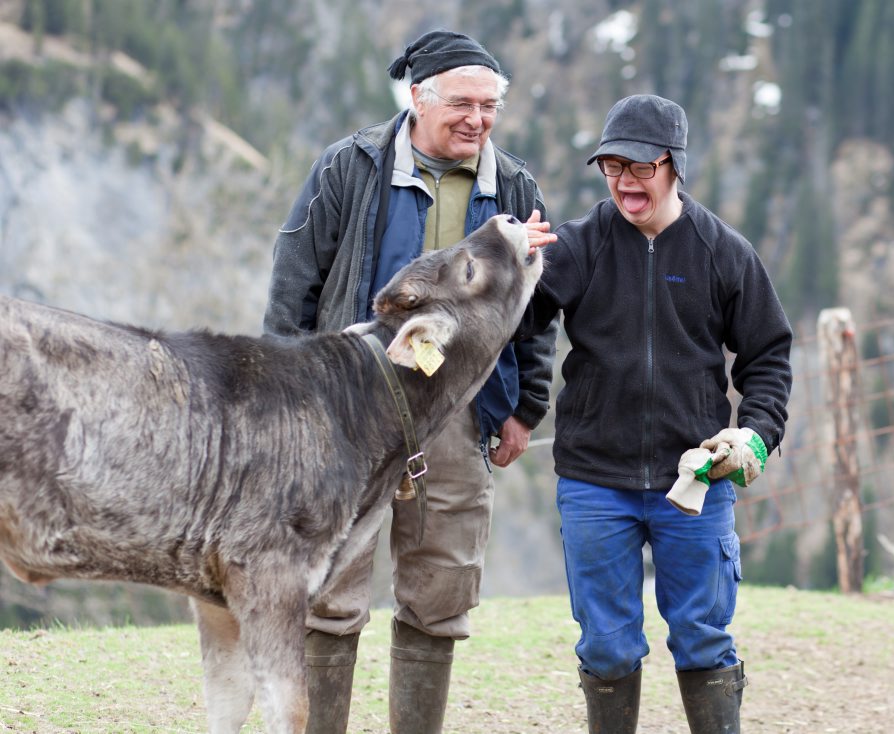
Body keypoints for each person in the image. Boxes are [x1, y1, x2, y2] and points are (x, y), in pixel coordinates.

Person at [263, 29, 557, 734]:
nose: (477, 121)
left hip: (457, 415)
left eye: (490, 107)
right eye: (462, 104)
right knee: (330, 587)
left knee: (442, 586)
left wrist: (525, 407)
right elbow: (295, 281)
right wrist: (282, 401)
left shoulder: (513, 186)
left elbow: (536, 309)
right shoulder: (351, 166)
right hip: (344, 414)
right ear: (418, 97)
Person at [517, 94, 793, 733]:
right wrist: (513, 264)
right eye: (612, 166)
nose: (623, 180)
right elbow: (516, 323)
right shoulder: (579, 245)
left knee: (702, 637)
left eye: (640, 166)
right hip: (592, 481)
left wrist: (755, 436)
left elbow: (768, 357)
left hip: (696, 482)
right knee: (606, 646)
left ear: (674, 166)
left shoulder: (723, 251)